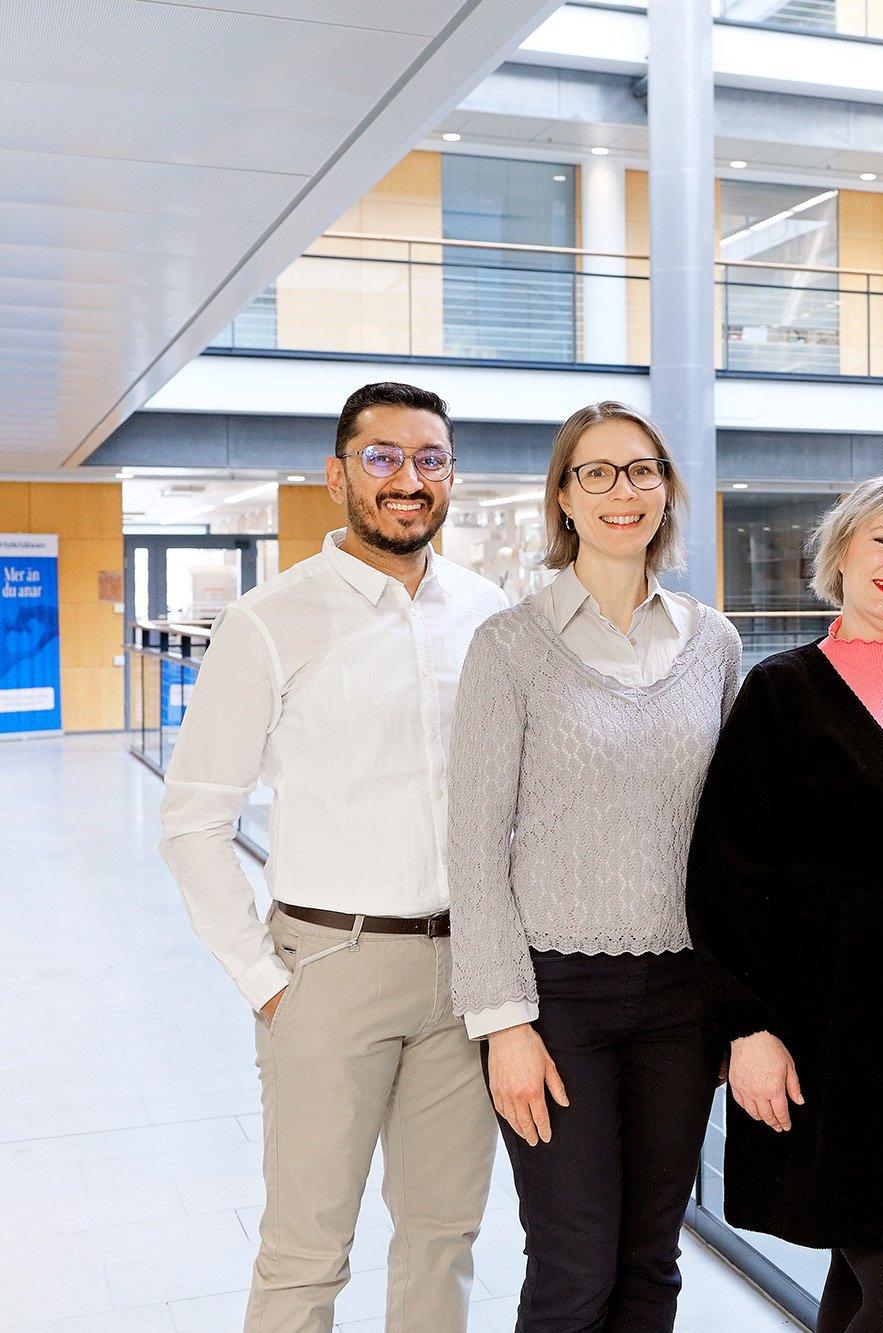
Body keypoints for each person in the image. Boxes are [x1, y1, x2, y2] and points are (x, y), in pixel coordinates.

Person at [159, 381, 506, 1330]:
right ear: (337, 474)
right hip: (331, 965)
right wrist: (266, 981)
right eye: (382, 456)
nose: (407, 478)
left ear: (451, 477)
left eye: (429, 458)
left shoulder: (489, 611)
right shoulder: (271, 619)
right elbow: (193, 818)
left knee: (443, 1240)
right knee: (306, 1255)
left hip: (469, 973)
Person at [446, 401, 742, 1329]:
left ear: (667, 491)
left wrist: (738, 1006)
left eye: (643, 470)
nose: (624, 490)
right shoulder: (509, 645)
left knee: (651, 1261)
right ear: (564, 498)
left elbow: (733, 842)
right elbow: (474, 845)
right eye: (598, 472)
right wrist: (503, 1022)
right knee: (574, 1266)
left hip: (681, 1002)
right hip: (555, 999)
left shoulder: (715, 643)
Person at [688, 477, 883, 1333]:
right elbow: (726, 871)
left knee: (861, 1280)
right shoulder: (782, 690)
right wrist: (746, 1028)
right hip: (829, 1042)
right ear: (843, 549)